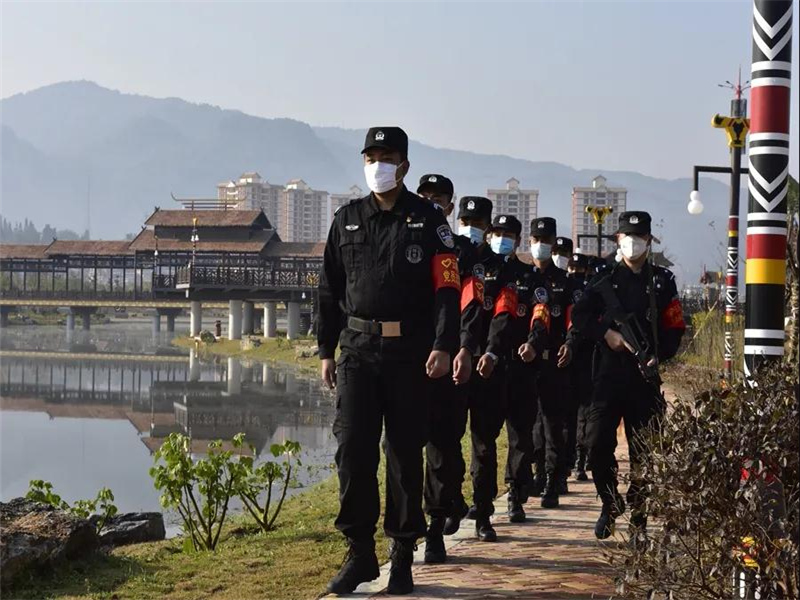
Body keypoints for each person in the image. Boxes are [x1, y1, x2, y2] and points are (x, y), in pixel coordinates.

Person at [317, 127, 461, 595]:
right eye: (370, 156)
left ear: (404, 166)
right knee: (352, 450)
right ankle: (360, 552)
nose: (377, 164)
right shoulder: (346, 219)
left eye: (386, 157)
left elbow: (447, 289)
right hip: (356, 351)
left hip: (409, 353)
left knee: (403, 454)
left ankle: (401, 553)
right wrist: (325, 350)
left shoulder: (430, 222)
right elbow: (328, 289)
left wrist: (443, 344)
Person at [570, 211, 686, 541]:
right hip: (607, 377)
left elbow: (675, 326)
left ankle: (639, 518)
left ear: (649, 240)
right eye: (627, 236)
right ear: (618, 239)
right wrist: (606, 333)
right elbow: (579, 316)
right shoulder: (603, 277)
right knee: (596, 443)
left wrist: (658, 355)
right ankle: (609, 502)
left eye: (640, 237)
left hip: (643, 381)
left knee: (644, 453)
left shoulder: (662, 281)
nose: (634, 242)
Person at [416, 176, 486, 563]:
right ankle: (412, 525)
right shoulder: (406, 241)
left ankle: (435, 525)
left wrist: (465, 348)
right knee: (405, 445)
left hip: (450, 355)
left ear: (449, 206)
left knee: (444, 443)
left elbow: (471, 305)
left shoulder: (464, 253)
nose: (430, 203)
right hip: (409, 355)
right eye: (424, 197)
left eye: (437, 199)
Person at [466, 213, 523, 541]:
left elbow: (503, 314)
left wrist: (491, 351)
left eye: (478, 223)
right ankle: (447, 508)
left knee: (484, 443)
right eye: (466, 221)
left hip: (490, 363)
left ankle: (483, 511)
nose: (472, 228)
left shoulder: (504, 271)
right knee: (443, 441)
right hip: (454, 363)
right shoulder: (452, 260)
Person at [518, 217, 574, 508]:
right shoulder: (523, 278)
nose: (540, 245)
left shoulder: (565, 281)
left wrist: (570, 344)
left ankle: (553, 477)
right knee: (529, 423)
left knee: (553, 423)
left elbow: (574, 320)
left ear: (553, 243)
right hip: (525, 361)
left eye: (546, 240)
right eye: (536, 240)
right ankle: (536, 471)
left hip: (554, 361)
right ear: (529, 242)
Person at [565, 252, 592, 481]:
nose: (574, 273)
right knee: (566, 415)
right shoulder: (561, 288)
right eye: (571, 268)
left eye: (579, 269)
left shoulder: (590, 292)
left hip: (585, 359)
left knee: (584, 414)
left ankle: (580, 460)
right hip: (564, 360)